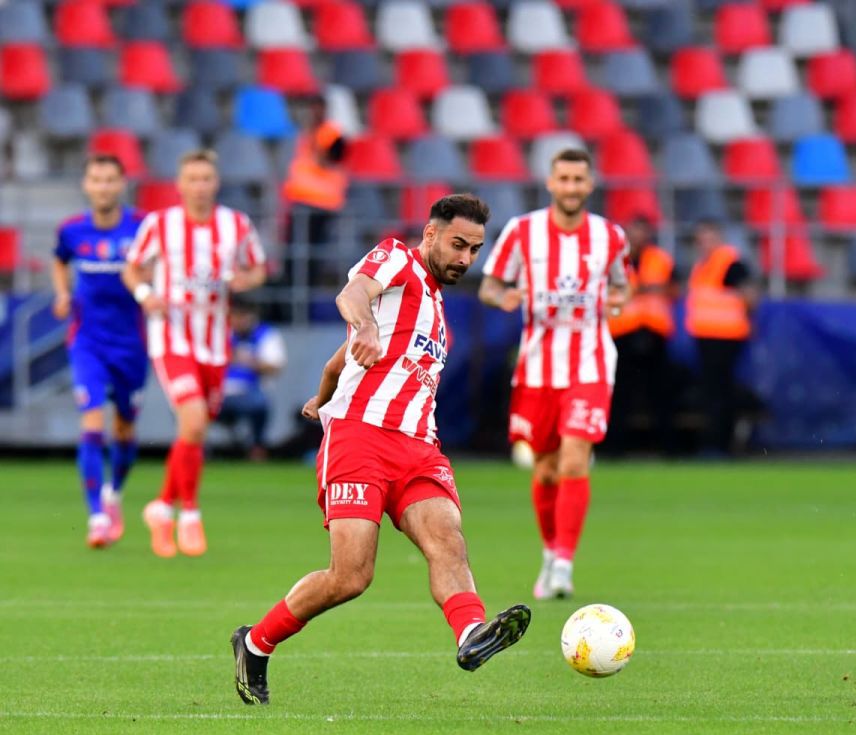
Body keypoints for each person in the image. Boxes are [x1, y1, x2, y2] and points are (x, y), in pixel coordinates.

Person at [230, 194, 531, 706]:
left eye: (475, 250)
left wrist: (319, 397)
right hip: (359, 439)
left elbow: (337, 361)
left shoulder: (436, 312)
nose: (465, 258)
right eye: (458, 244)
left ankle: (471, 632)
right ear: (431, 234)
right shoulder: (398, 260)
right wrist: (363, 326)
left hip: (419, 447)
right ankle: (255, 643)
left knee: (448, 541)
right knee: (350, 576)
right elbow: (352, 296)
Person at [478, 149, 629, 600]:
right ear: (550, 182)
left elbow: (622, 283)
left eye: (578, 179)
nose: (570, 187)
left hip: (591, 362)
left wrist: (617, 300)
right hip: (537, 368)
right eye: (563, 178)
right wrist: (503, 298)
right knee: (545, 471)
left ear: (590, 183)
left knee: (574, 459)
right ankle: (549, 554)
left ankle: (564, 563)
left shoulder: (610, 236)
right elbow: (490, 283)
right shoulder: (522, 232)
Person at [122, 149, 268, 559]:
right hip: (172, 336)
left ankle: (160, 506)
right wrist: (146, 293)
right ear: (180, 184)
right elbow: (131, 268)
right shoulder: (160, 224)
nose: (200, 186)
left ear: (215, 183)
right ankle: (189, 514)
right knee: (194, 419)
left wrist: (244, 280)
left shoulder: (235, 224)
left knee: (195, 431)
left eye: (206, 178)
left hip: (214, 341)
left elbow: (258, 268)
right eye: (192, 178)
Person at [51, 154, 147, 548]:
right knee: (92, 422)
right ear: (86, 185)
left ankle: (113, 496)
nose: (103, 186)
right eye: (96, 179)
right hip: (87, 341)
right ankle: (96, 517)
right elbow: (60, 260)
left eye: (110, 180)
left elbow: (157, 266)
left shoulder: (142, 228)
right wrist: (62, 292)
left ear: (121, 184)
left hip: (132, 343)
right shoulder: (72, 230)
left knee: (124, 426)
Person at [683, 221, 758, 457]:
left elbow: (750, 295)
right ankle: (714, 443)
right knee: (712, 392)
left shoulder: (730, 263)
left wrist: (743, 318)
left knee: (720, 393)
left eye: (709, 237)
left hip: (726, 336)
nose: (704, 243)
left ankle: (720, 444)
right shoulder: (702, 266)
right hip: (706, 336)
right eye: (701, 238)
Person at [606, 216, 677, 455]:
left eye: (641, 231)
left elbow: (675, 288)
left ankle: (667, 448)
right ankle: (614, 447)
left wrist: (645, 290)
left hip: (654, 332)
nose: (637, 237)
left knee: (660, 393)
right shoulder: (612, 259)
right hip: (622, 332)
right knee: (619, 394)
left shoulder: (660, 259)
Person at [282, 98, 348, 288]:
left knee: (310, 258)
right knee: (294, 256)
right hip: (300, 201)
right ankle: (293, 297)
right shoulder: (306, 134)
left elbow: (335, 158)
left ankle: (304, 299)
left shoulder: (331, 133)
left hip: (322, 203)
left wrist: (320, 152)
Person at [217, 298, 287, 460]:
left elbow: (275, 366)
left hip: (249, 392)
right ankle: (198, 447)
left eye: (243, 316)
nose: (239, 320)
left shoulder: (265, 334)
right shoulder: (221, 333)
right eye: (235, 316)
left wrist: (249, 361)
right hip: (220, 392)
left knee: (261, 403)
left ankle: (257, 446)